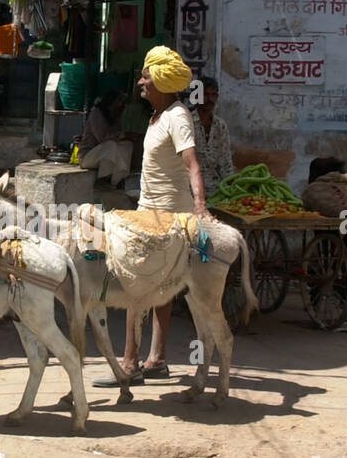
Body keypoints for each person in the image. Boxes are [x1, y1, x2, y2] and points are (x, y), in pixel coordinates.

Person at [94, 46, 211, 387]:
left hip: (167, 218)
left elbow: (192, 163)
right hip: (150, 212)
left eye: (146, 76)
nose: (141, 82)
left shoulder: (177, 117)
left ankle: (130, 364)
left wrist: (200, 206)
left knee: (135, 287)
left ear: (161, 81)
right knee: (162, 289)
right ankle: (157, 359)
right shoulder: (158, 116)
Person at [190, 77, 235, 198]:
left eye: (213, 95)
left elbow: (226, 162)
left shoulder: (220, 126)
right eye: (205, 95)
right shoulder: (186, 123)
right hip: (190, 192)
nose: (210, 99)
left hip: (217, 193)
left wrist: (233, 190)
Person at [78, 90, 132, 187]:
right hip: (87, 156)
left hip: (104, 155)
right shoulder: (96, 114)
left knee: (127, 145)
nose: (123, 106)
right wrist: (124, 135)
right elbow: (103, 138)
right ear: (112, 102)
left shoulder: (116, 117)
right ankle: (104, 178)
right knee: (110, 145)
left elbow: (118, 138)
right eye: (121, 103)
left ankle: (119, 179)